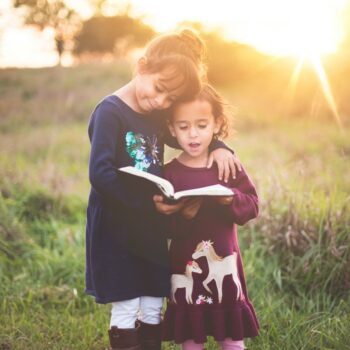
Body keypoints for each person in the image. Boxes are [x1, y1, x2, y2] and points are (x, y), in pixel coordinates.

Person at [85, 29, 241, 350]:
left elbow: (185, 137)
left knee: (155, 300)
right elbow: (100, 175)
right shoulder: (110, 112)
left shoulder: (156, 115)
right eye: (159, 89)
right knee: (127, 303)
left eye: (170, 99)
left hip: (152, 226)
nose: (161, 102)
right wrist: (146, 205)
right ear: (142, 66)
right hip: (117, 227)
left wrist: (221, 147)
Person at [159, 84, 260, 350]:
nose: (193, 134)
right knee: (192, 339)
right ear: (171, 128)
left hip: (225, 264)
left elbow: (252, 206)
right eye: (183, 127)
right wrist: (184, 216)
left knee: (232, 339)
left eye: (202, 125)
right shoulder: (169, 174)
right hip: (185, 267)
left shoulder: (227, 165)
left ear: (217, 124)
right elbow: (163, 227)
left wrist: (231, 200)